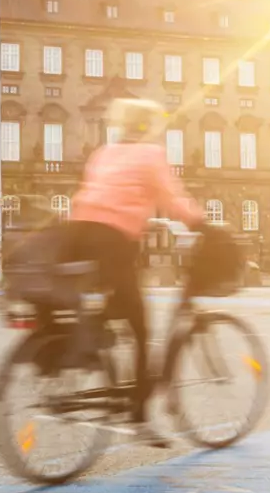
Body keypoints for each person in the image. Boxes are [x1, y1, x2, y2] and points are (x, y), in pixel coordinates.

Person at [63, 98, 206, 430]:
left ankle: (87, 343)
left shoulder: (103, 153)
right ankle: (139, 412)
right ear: (148, 126)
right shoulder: (150, 154)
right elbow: (171, 199)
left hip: (79, 236)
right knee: (141, 328)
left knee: (111, 308)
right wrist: (202, 223)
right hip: (113, 242)